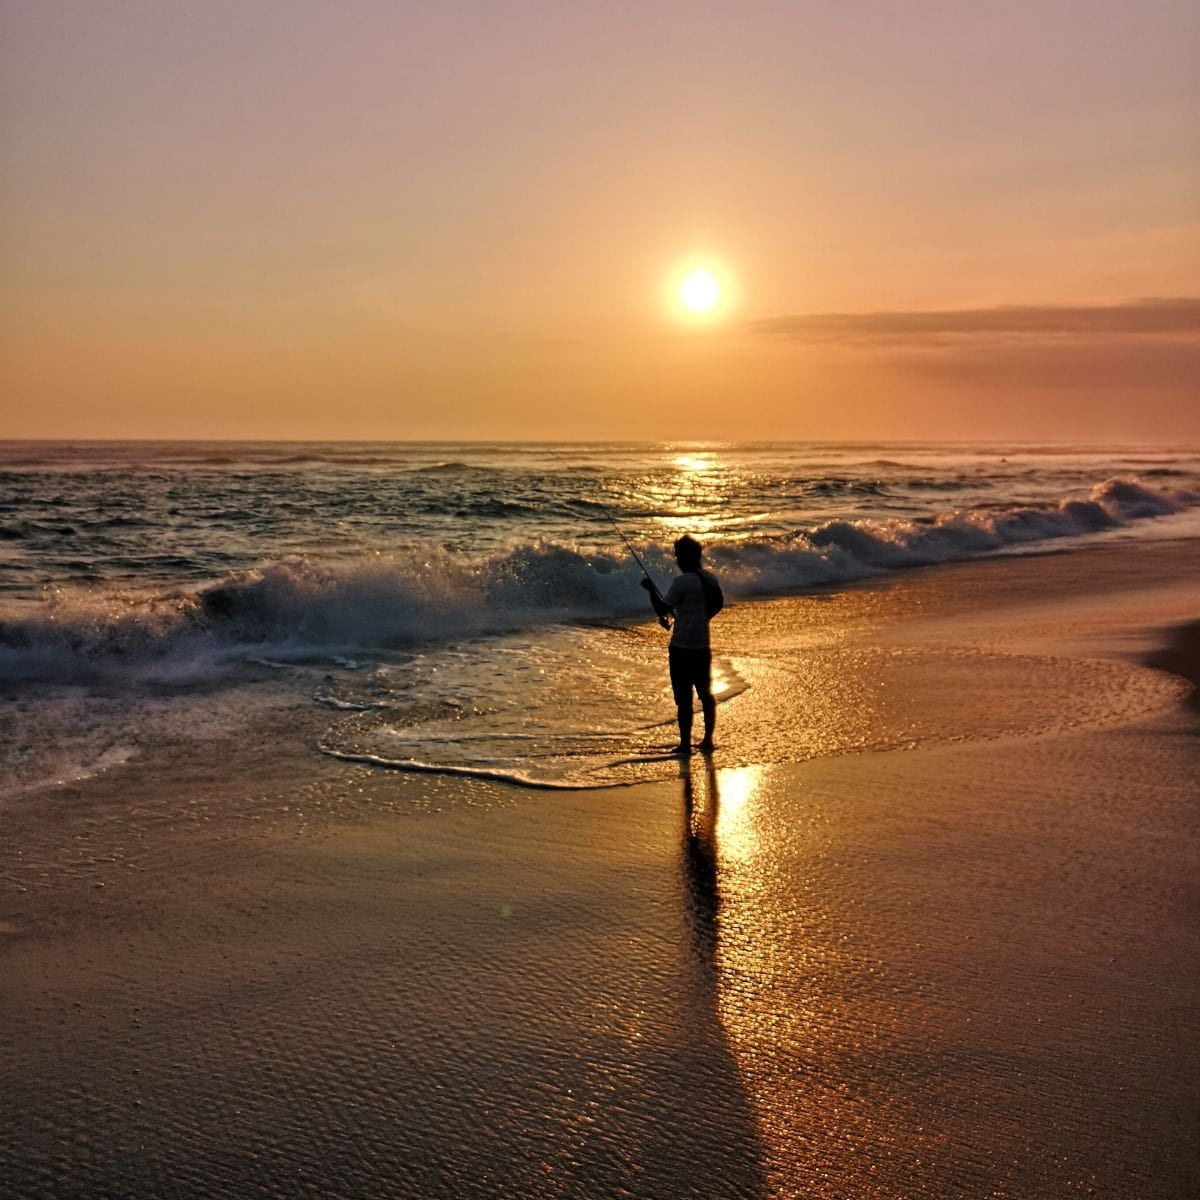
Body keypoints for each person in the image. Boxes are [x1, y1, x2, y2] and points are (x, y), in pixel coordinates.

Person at [641, 534, 724, 755]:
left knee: (684, 698)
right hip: (702, 646)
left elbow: (662, 608)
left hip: (681, 648)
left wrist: (650, 590)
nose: (676, 560)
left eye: (678, 555)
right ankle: (707, 740)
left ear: (686, 557)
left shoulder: (682, 582)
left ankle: (685, 744)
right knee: (706, 694)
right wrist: (696, 617)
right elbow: (718, 605)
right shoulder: (710, 579)